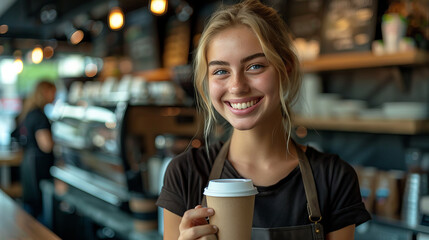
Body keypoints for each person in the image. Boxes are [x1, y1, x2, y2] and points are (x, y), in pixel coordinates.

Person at [156, 0, 371, 239]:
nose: (237, 86)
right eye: (220, 71)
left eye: (255, 66)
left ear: (285, 68)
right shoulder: (185, 173)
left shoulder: (333, 178)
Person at [17, 80, 56, 221]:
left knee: (31, 206)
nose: (55, 96)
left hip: (28, 161)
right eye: (53, 92)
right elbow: (46, 145)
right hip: (38, 165)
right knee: (40, 208)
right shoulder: (39, 116)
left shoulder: (29, 112)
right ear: (45, 93)